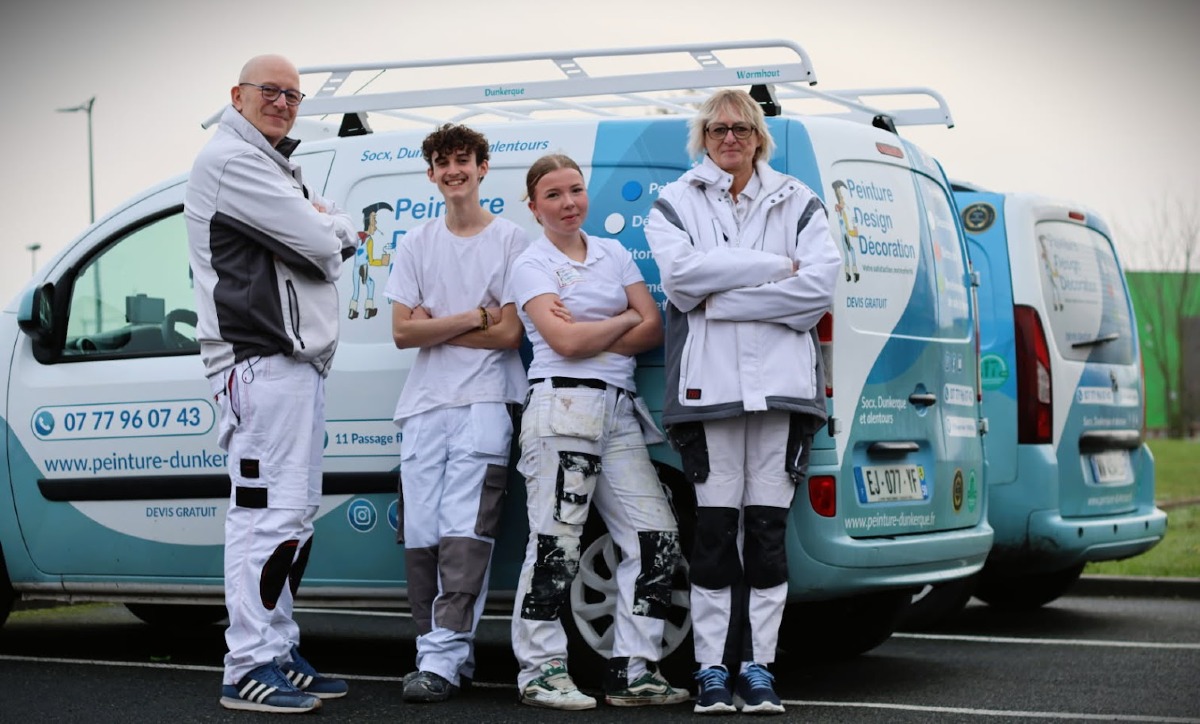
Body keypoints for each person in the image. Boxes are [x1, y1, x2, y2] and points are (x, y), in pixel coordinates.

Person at [644, 89, 841, 715]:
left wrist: (723, 299)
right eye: (717, 128)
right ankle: (711, 669)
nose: (730, 137)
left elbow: (819, 288)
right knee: (713, 534)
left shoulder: (799, 201)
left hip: (783, 391)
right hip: (711, 393)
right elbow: (681, 282)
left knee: (766, 533)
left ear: (759, 136)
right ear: (702, 137)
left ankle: (758, 669)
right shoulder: (675, 202)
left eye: (742, 128)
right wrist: (776, 267)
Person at [185, 54, 359, 713]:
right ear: (238, 95)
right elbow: (324, 243)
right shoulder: (233, 160)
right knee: (265, 519)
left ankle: (278, 649)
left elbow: (328, 231)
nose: (283, 103)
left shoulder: (271, 163)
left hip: (289, 365)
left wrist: (323, 224)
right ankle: (247, 664)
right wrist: (324, 224)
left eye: (293, 94)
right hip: (259, 363)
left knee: (290, 517)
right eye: (270, 91)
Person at [507, 154, 689, 711]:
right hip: (563, 407)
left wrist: (595, 328)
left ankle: (633, 670)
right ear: (534, 206)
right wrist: (622, 319)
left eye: (576, 190)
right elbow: (565, 345)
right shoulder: (531, 263)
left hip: (619, 409)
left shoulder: (612, 252)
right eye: (554, 195)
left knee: (656, 537)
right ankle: (541, 671)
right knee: (556, 543)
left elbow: (653, 327)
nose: (569, 203)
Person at [383, 123, 528, 703]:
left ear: (482, 167)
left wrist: (437, 325)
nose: (453, 171)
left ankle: (442, 660)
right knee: (422, 539)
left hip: (485, 403)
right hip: (423, 407)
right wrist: (474, 316)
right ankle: (439, 655)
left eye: (463, 160)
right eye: (443, 163)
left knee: (465, 536)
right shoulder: (416, 243)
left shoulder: (511, 240)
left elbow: (511, 333)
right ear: (431, 174)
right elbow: (401, 333)